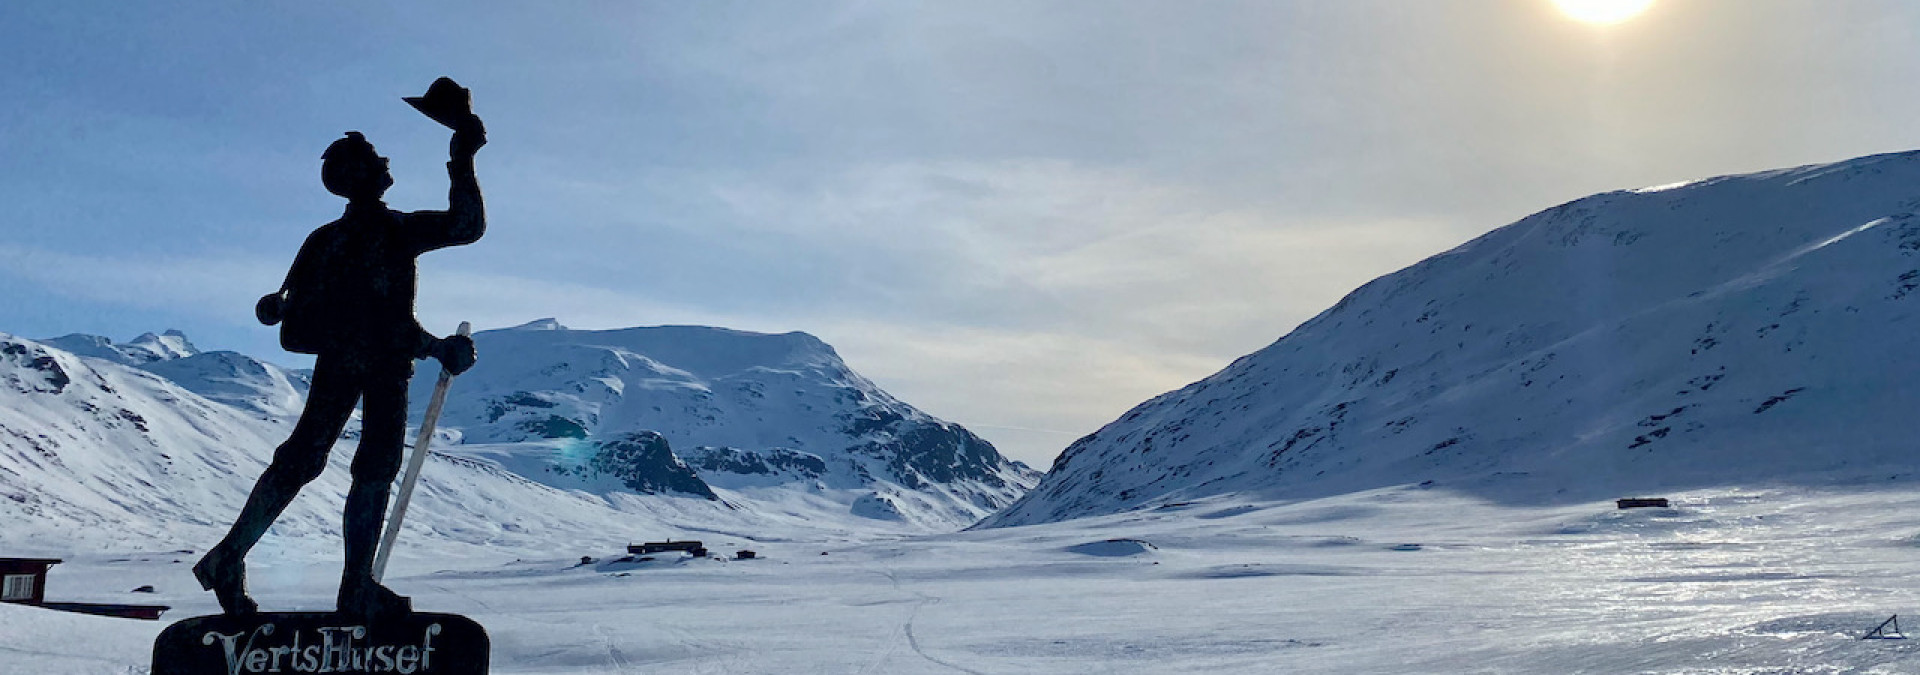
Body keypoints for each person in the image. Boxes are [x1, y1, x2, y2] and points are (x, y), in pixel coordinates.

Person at [193, 113, 486, 620]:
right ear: (362, 176)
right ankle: (353, 587)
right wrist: (461, 161)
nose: (386, 160)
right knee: (370, 468)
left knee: (305, 458)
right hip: (380, 365)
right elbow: (459, 234)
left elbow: (299, 310)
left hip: (343, 362)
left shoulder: (323, 238)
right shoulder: (389, 231)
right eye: (376, 158)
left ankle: (233, 555)